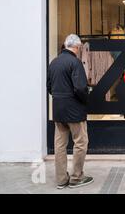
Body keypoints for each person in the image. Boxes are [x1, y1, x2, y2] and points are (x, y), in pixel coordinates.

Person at [47, 34, 93, 189]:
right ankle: (76, 177)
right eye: (79, 47)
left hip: (58, 110)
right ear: (77, 47)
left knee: (59, 145)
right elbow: (80, 88)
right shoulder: (75, 62)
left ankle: (61, 180)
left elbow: (49, 87)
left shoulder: (54, 62)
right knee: (80, 142)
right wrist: (86, 99)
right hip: (74, 110)